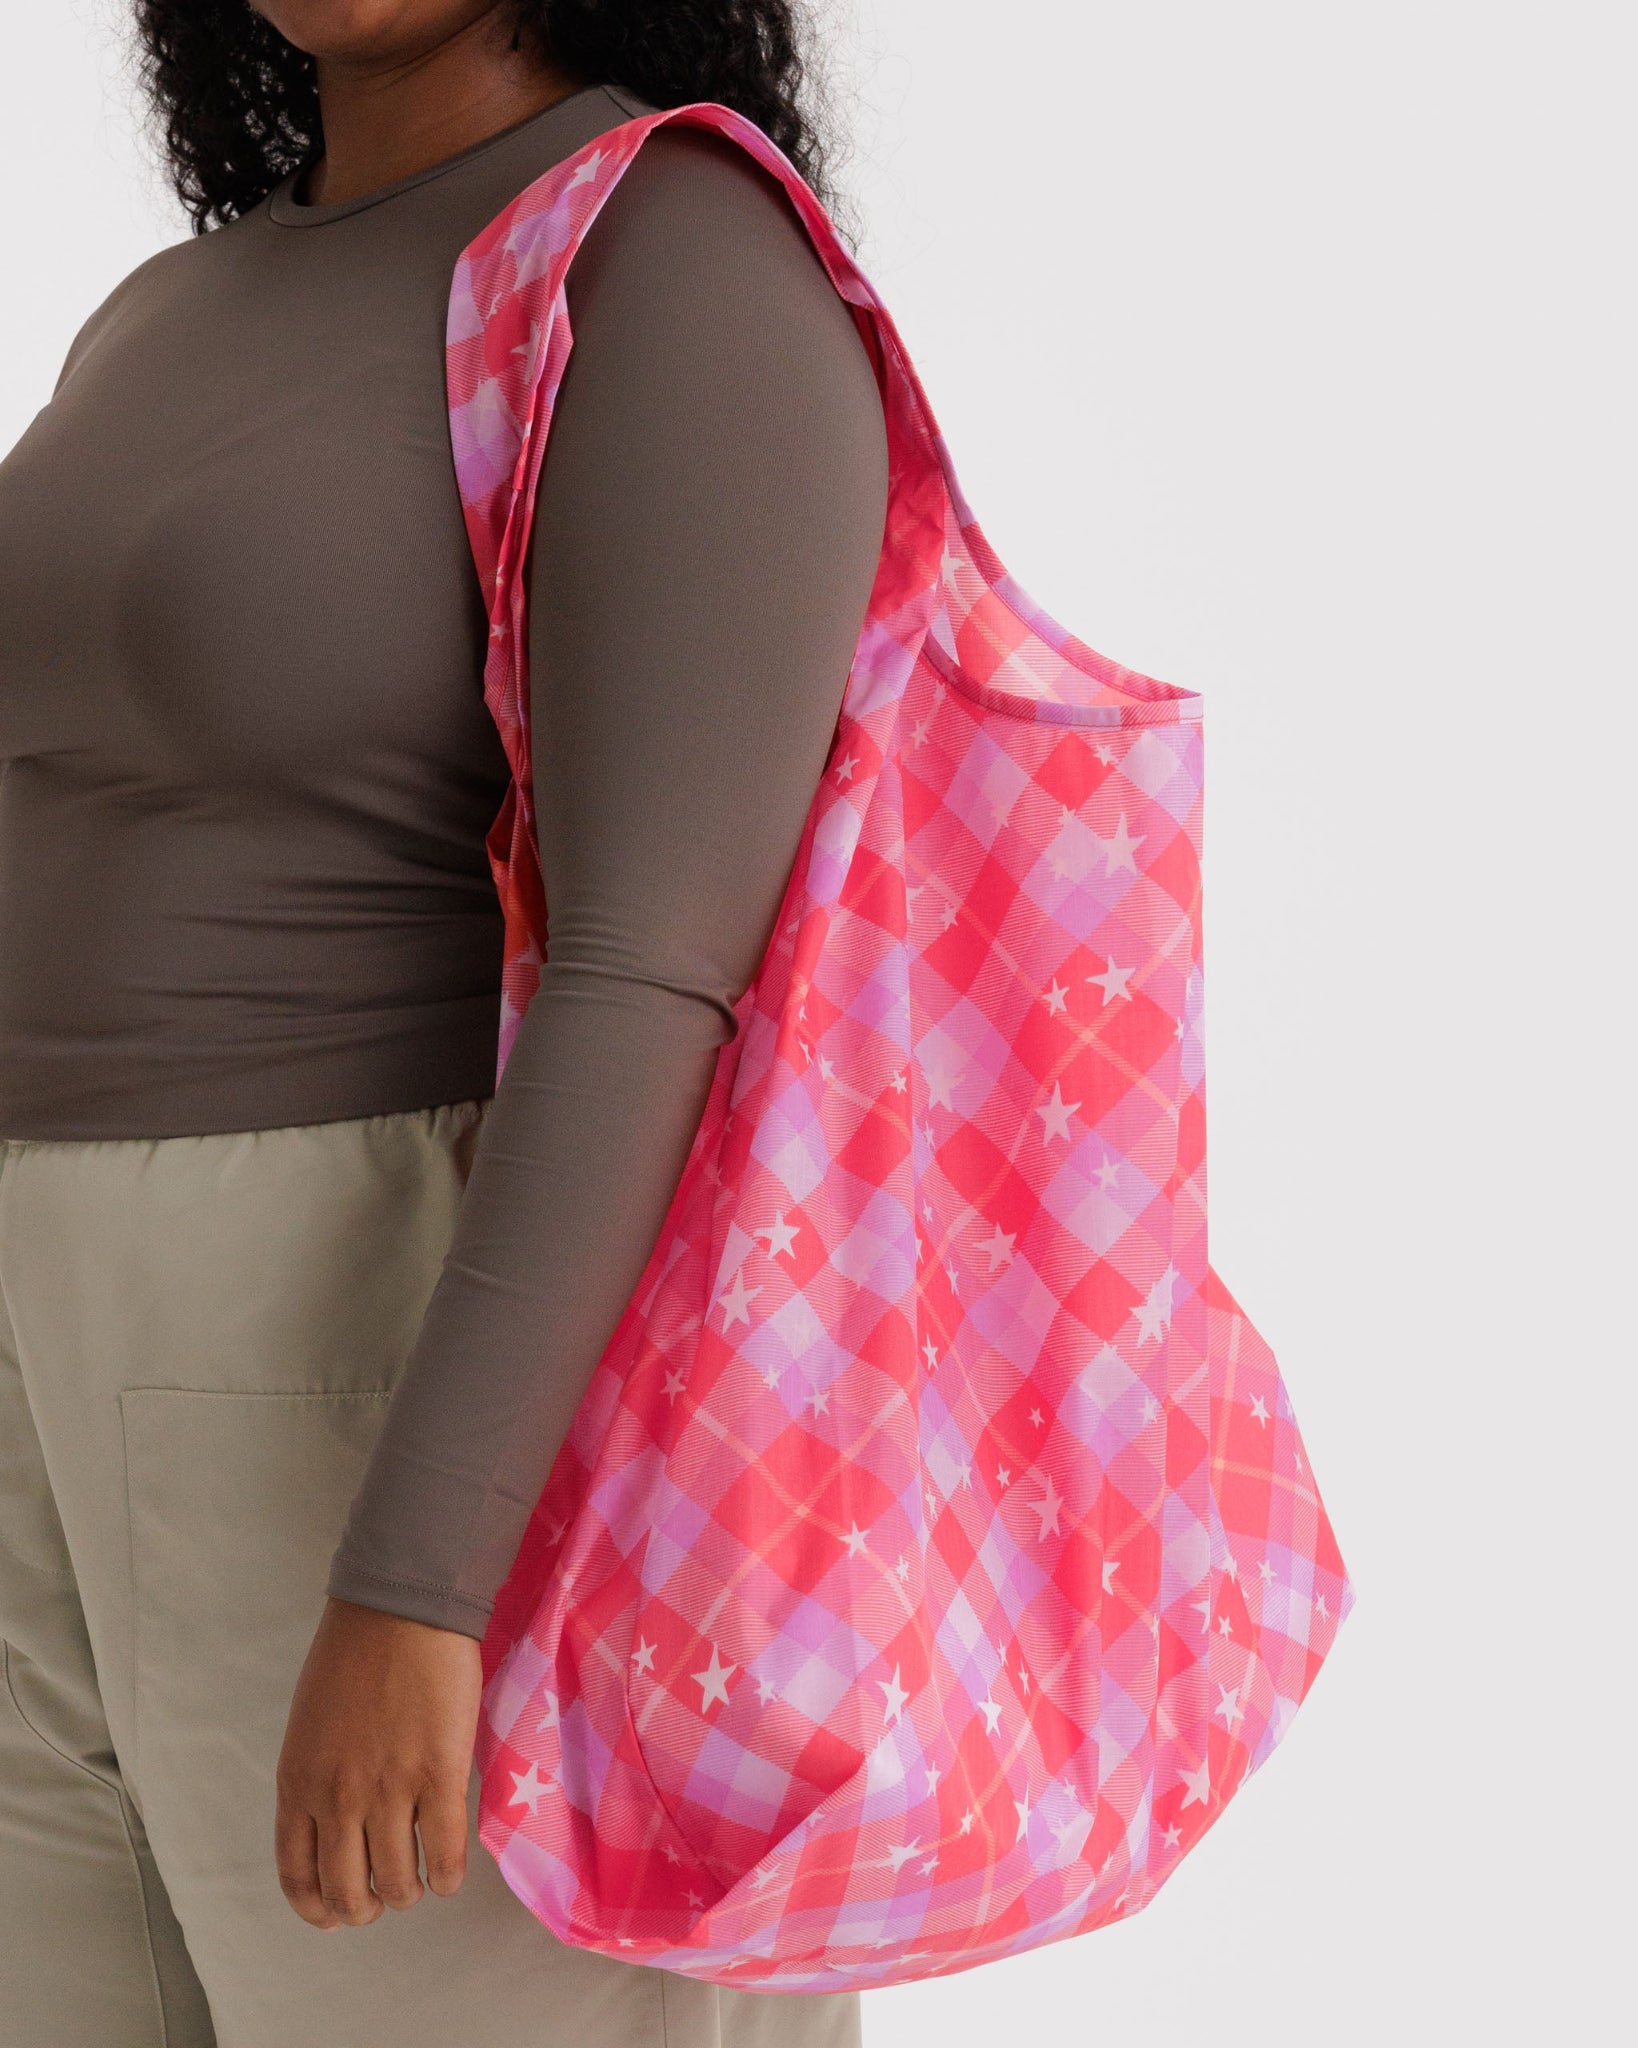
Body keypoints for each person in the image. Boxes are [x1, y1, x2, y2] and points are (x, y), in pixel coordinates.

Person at [0, 2, 890, 2042]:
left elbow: (658, 966)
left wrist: (424, 1578)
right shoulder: (173, 307)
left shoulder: (664, 261)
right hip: (51, 1319)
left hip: (367, 1336)